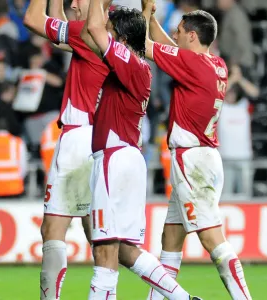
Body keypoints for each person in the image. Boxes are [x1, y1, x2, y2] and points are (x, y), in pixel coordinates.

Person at [81, 0, 201, 299]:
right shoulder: (138, 66)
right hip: (128, 157)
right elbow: (89, 34)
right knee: (124, 249)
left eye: (112, 32)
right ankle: (182, 298)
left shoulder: (128, 61)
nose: (104, 35)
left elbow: (93, 30)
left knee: (105, 251)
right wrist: (143, 14)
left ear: (121, 40)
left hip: (114, 156)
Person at [142, 1, 252, 299]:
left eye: (178, 31)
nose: (174, 35)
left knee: (211, 238)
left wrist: (143, 14)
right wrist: (154, 19)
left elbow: (147, 46)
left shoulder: (190, 64)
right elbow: (170, 51)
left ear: (192, 35)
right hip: (205, 157)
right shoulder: (216, 64)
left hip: (192, 160)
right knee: (171, 237)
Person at [23, 0, 110, 298]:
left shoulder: (85, 34)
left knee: (52, 231)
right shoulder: (111, 40)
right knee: (100, 237)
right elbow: (57, 28)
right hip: (102, 142)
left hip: (77, 141)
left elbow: (34, 19)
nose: (74, 3)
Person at [218, 64, 259, 199]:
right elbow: (218, 93)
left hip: (244, 157)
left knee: (246, 196)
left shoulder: (245, 106)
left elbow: (255, 93)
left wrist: (239, 79)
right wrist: (232, 79)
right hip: (225, 157)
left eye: (233, 92)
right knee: (226, 195)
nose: (230, 95)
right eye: (229, 92)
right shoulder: (220, 107)